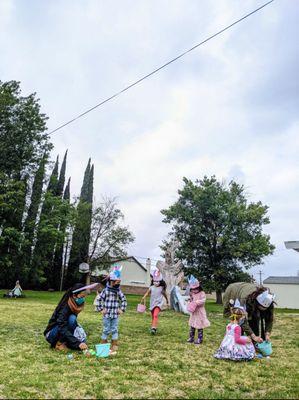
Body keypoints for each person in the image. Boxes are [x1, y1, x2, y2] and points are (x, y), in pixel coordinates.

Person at [44, 282, 95, 352]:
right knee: (72, 318)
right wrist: (77, 343)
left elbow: (71, 326)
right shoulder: (65, 307)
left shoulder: (74, 304)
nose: (83, 299)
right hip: (51, 335)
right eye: (82, 297)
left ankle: (64, 342)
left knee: (82, 341)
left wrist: (79, 342)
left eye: (84, 297)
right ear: (74, 295)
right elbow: (62, 326)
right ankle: (59, 343)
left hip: (61, 331)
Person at [95, 265, 127, 354]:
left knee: (114, 329)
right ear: (111, 281)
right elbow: (99, 299)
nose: (117, 283)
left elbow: (124, 299)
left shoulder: (118, 291)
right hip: (107, 315)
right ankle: (104, 344)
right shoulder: (106, 290)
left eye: (118, 281)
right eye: (116, 281)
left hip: (115, 315)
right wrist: (101, 309)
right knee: (106, 329)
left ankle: (114, 344)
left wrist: (122, 309)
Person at [141, 267, 169, 335]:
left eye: (157, 281)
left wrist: (167, 301)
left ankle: (154, 328)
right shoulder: (151, 287)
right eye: (154, 281)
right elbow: (147, 293)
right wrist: (144, 297)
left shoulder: (161, 288)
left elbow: (165, 294)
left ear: (160, 281)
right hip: (152, 303)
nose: (156, 282)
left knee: (155, 315)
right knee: (153, 316)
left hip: (158, 304)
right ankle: (153, 326)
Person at [186, 275, 210, 344]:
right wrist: (190, 301)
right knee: (192, 325)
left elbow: (203, 301)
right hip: (194, 312)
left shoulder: (202, 293)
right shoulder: (192, 293)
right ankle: (191, 337)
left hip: (199, 312)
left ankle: (200, 338)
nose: (194, 290)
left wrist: (197, 302)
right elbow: (191, 300)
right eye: (193, 289)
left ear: (199, 287)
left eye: (196, 289)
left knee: (199, 325)